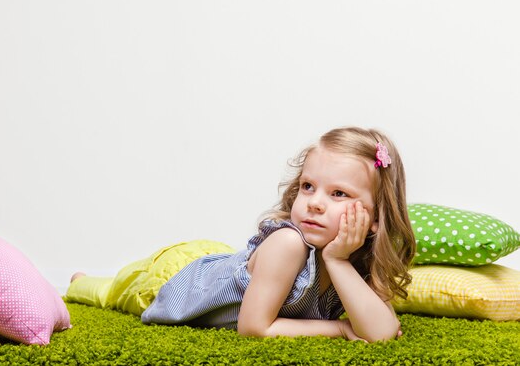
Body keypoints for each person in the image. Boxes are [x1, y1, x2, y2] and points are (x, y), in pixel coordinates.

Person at [67, 126, 416, 342]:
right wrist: (339, 328)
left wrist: (337, 261)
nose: (315, 203)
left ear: (376, 217)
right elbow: (255, 328)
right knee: (115, 290)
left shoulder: (354, 259)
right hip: (171, 281)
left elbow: (382, 333)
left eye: (338, 194)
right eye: (308, 187)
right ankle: (80, 281)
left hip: (225, 264)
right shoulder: (288, 243)